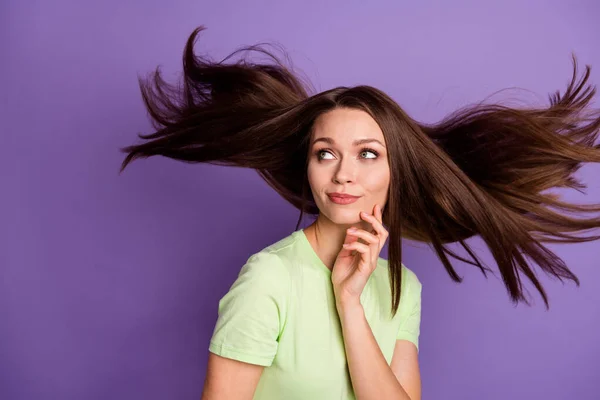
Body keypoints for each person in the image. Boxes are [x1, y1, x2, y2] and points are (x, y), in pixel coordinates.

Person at [119, 26, 600, 400]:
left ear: (396, 170)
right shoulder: (269, 278)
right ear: (308, 168)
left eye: (368, 153)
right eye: (325, 153)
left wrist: (349, 303)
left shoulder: (401, 288)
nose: (343, 174)